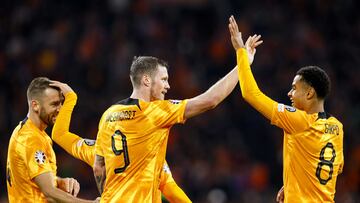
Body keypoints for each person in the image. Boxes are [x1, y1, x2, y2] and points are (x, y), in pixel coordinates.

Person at [93, 36, 262, 202]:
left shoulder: (108, 114)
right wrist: (243, 62)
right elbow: (211, 100)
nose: (168, 86)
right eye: (164, 80)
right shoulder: (155, 111)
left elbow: (99, 168)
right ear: (146, 80)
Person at [228, 15, 344, 203]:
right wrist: (293, 181)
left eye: (294, 88)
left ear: (309, 93)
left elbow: (250, 94)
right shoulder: (337, 127)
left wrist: (240, 51)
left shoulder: (299, 121)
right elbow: (334, 168)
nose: (289, 93)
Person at [50, 81, 192, 202]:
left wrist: (70, 98)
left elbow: (59, 134)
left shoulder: (96, 150)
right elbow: (171, 190)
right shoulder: (150, 156)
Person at [6, 77, 99, 203]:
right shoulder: (30, 139)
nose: (60, 109)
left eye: (61, 103)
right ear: (35, 105)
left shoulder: (32, 132)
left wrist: (59, 182)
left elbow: (34, 180)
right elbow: (49, 192)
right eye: (54, 104)